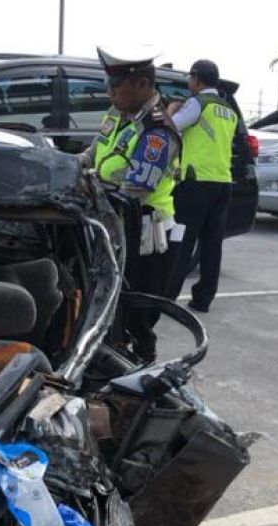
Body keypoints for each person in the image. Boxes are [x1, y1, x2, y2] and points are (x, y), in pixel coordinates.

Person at [88, 47, 182, 363]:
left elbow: (136, 188)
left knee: (137, 311)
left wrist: (89, 190)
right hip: (111, 224)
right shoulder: (117, 115)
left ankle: (142, 366)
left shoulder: (157, 131)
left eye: (117, 86)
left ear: (142, 85)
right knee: (108, 303)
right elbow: (91, 156)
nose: (110, 92)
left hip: (144, 233)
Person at [165, 59, 237, 313]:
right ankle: (203, 298)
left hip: (196, 183)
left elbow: (171, 126)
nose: (188, 83)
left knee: (182, 242)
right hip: (222, 182)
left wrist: (172, 109)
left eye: (189, 78)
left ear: (196, 78)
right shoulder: (228, 109)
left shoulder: (197, 104)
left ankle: (168, 297)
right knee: (211, 244)